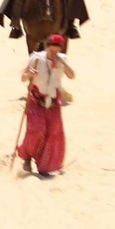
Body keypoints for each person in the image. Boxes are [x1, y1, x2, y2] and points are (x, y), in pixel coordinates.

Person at [18, 33, 74, 176]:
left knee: (52, 135)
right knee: (36, 130)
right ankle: (27, 157)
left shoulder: (62, 60)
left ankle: (45, 167)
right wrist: (29, 74)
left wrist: (63, 63)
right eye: (52, 50)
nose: (54, 53)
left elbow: (72, 76)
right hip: (37, 100)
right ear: (47, 47)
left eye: (57, 50)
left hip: (53, 101)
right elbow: (23, 78)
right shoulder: (36, 59)